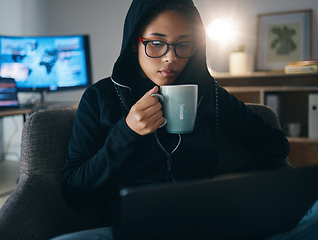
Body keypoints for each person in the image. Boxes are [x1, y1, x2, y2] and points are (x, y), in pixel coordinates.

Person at [51, 0, 318, 239]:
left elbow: (274, 143)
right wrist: (127, 132)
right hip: (132, 228)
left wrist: (228, 186)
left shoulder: (208, 94)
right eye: (156, 43)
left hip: (209, 222)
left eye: (183, 45)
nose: (171, 58)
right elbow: (74, 188)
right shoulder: (101, 97)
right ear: (135, 41)